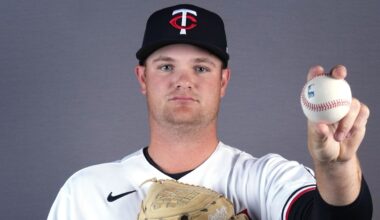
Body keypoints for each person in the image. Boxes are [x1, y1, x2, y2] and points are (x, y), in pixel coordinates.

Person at [47, 4, 372, 220]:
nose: (183, 80)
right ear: (143, 78)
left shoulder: (264, 179)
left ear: (223, 81)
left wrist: (335, 167)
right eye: (166, 66)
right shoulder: (85, 191)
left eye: (201, 68)